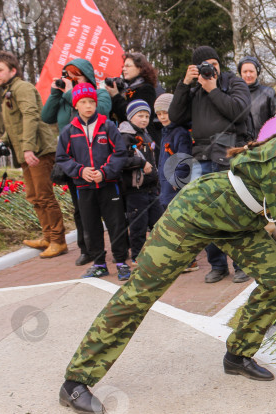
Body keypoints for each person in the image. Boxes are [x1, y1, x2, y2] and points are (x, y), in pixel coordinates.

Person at [58, 74, 276, 414]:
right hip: (196, 214)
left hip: (238, 221)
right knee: (140, 293)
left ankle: (238, 354)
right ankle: (76, 381)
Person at [169, 45, 252, 284]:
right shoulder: (193, 89)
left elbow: (240, 111)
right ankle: (217, 265)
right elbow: (175, 116)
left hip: (229, 153)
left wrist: (213, 90)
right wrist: (184, 84)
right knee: (206, 215)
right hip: (202, 156)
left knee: (234, 212)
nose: (209, 69)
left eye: (213, 64)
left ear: (219, 64)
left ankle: (241, 264)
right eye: (203, 65)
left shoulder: (232, 82)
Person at [0, 51, 67, 258]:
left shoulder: (22, 88)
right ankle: (48, 237)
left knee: (45, 196)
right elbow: (14, 124)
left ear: (13, 70)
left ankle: (58, 241)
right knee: (34, 197)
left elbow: (30, 115)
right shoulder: (9, 91)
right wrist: (2, 141)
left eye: (0, 70)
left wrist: (28, 148)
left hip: (38, 151)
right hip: (26, 152)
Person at [41, 58, 113, 266]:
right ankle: (87, 249)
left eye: (76, 74)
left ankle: (119, 247)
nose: (71, 78)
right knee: (81, 208)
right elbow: (46, 117)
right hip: (74, 162)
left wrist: (70, 92)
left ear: (88, 75)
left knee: (108, 207)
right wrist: (57, 93)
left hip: (99, 158)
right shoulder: (65, 97)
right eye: (67, 74)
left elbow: (102, 112)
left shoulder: (99, 94)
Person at [55, 83, 130, 280]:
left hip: (109, 185)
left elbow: (120, 153)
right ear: (76, 106)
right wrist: (80, 170)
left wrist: (105, 172)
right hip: (84, 188)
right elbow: (62, 158)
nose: (88, 106)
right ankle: (99, 264)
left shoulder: (108, 126)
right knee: (90, 226)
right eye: (83, 102)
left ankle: (121, 262)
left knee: (116, 224)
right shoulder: (69, 131)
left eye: (91, 102)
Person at [119, 99, 163, 263]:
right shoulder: (125, 136)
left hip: (151, 188)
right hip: (135, 190)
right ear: (131, 117)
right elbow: (121, 160)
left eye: (146, 116)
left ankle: (159, 254)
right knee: (138, 226)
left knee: (158, 223)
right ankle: (138, 257)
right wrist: (141, 163)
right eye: (140, 116)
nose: (144, 119)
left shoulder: (145, 134)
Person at [106, 52, 161, 144]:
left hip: (141, 140)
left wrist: (116, 96)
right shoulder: (126, 88)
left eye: (128, 66)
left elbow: (134, 114)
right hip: (127, 136)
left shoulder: (146, 89)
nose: (124, 69)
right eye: (123, 66)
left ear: (140, 68)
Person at [154, 93, 192, 208]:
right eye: (159, 114)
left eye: (166, 113)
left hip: (174, 186)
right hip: (165, 184)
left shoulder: (181, 132)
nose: (162, 117)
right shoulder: (165, 132)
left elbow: (184, 157)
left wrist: (178, 178)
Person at [238, 55, 276, 134]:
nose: (248, 75)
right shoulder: (234, 94)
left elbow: (275, 120)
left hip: (263, 141)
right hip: (240, 143)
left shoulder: (268, 93)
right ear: (241, 73)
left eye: (251, 71)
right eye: (245, 72)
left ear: (257, 72)